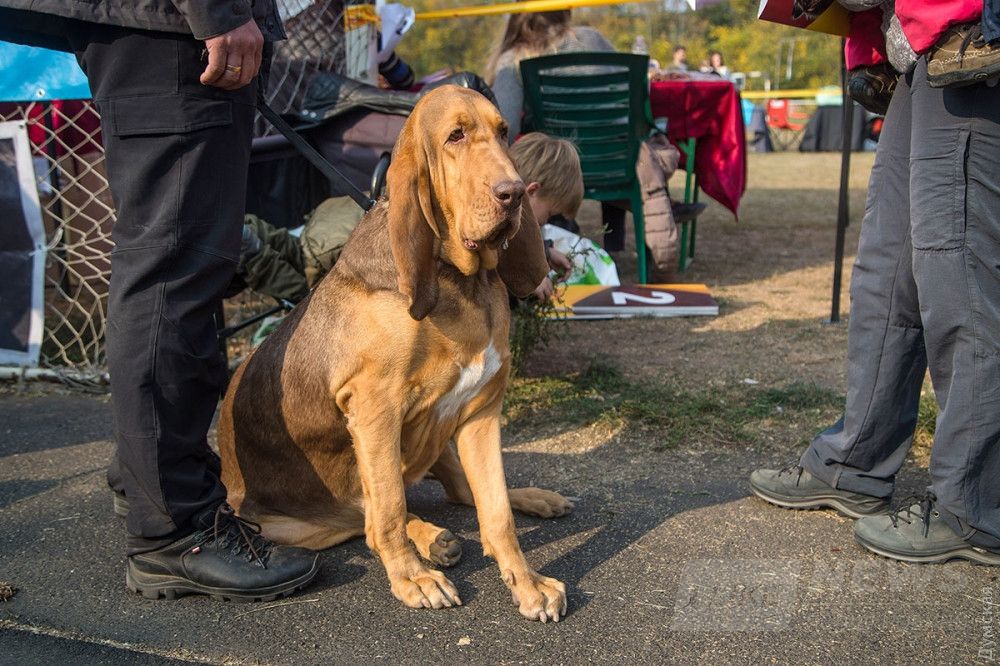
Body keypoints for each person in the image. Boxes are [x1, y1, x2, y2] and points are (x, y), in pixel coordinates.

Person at [0, 2, 320, 599]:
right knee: (173, 270)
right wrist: (219, 8)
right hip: (172, 26)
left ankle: (146, 479)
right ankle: (174, 532)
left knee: (182, 266)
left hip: (162, 24)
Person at [750, 1, 1000, 566]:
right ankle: (854, 465)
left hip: (971, 34)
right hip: (919, 47)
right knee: (887, 274)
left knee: (957, 271)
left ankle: (975, 504)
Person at [508, 133, 579, 299]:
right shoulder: (494, 221)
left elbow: (515, 245)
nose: (546, 222)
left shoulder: (514, 219)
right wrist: (528, 274)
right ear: (532, 191)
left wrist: (545, 252)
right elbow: (496, 256)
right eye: (550, 214)